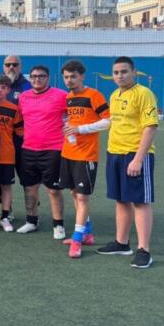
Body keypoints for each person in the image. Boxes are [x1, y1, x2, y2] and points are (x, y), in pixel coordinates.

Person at [97, 56, 158, 269]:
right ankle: (122, 243)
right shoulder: (114, 95)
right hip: (115, 153)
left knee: (140, 201)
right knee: (121, 200)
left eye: (124, 72)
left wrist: (138, 159)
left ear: (134, 72)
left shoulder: (144, 93)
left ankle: (144, 250)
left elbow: (150, 127)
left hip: (135, 154)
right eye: (116, 72)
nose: (120, 76)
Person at [58, 60, 111, 258]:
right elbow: (69, 120)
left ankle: (77, 239)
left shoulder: (94, 95)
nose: (69, 80)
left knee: (82, 197)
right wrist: (69, 129)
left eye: (73, 76)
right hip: (69, 152)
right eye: (66, 77)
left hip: (86, 154)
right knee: (74, 193)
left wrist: (81, 129)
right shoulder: (68, 97)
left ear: (82, 76)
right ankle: (87, 233)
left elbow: (108, 121)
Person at [16, 65, 68, 239]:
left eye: (41, 76)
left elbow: (73, 115)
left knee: (53, 189)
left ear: (48, 78)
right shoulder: (23, 97)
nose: (37, 79)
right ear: (30, 78)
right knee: (29, 187)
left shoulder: (61, 95)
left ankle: (58, 224)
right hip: (28, 149)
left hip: (53, 149)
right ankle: (32, 221)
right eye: (34, 76)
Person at [0, 74, 24, 232]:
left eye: (3, 88)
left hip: (6, 154)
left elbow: (20, 132)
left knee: (6, 186)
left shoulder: (13, 108)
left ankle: (5, 216)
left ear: (8, 90)